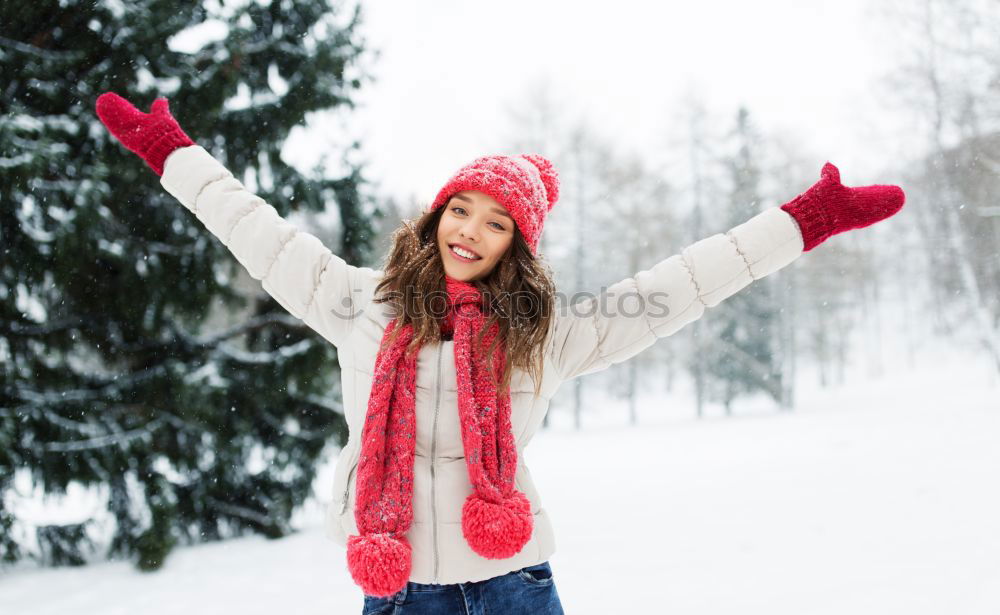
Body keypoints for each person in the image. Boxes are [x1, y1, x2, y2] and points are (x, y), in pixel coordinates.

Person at [95, 92, 905, 615]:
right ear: (436, 213)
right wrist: (173, 152)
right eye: (461, 208)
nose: (468, 230)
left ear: (517, 243)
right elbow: (257, 229)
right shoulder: (358, 304)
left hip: (513, 583)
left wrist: (803, 220)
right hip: (399, 585)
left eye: (495, 221)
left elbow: (683, 281)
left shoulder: (542, 335)